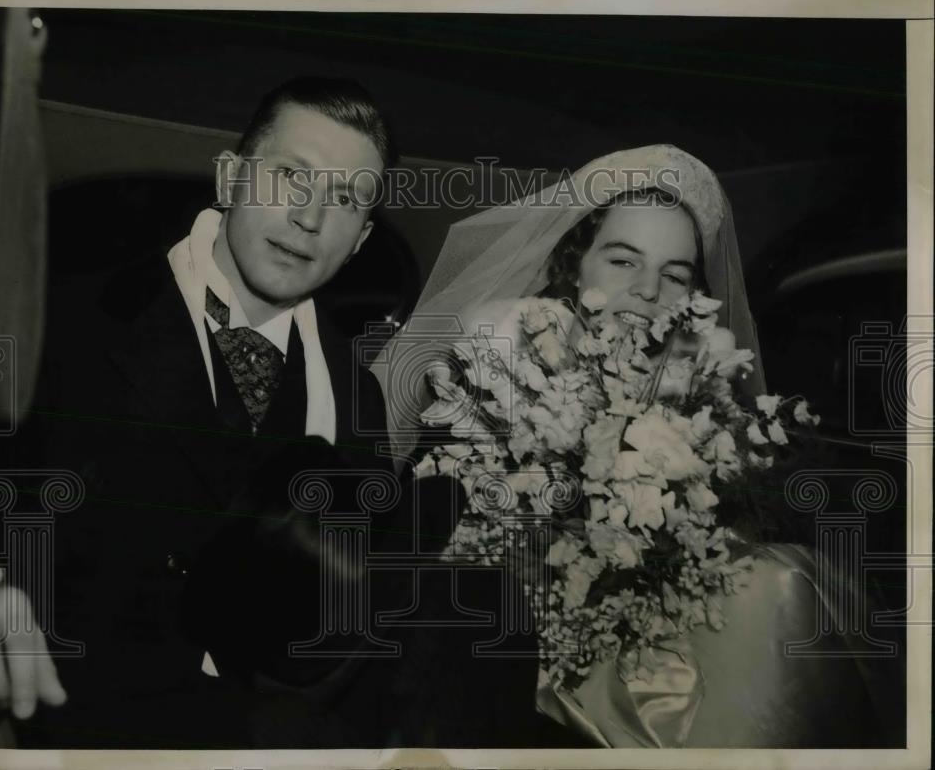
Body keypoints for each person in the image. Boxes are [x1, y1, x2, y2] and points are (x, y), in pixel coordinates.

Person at [381, 145, 891, 747]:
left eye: (675, 274)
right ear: (576, 265)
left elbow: (724, 520)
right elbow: (456, 544)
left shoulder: (699, 376)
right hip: (524, 630)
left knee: (782, 589)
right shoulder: (505, 351)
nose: (649, 290)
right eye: (624, 261)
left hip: (659, 617)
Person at [0, 77, 407, 748]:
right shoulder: (62, 319)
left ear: (360, 239)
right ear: (232, 177)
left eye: (345, 200)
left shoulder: (357, 402)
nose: (310, 219)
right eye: (293, 178)